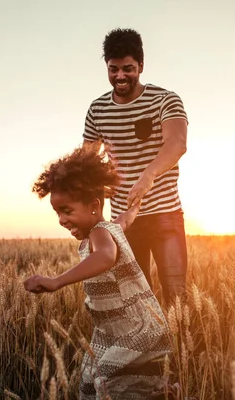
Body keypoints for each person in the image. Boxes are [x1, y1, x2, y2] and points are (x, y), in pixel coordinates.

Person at [23, 145, 172, 399]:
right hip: (108, 330)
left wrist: (57, 281)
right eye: (57, 212)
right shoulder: (112, 227)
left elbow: (105, 256)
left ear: (94, 205)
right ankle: (161, 392)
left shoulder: (99, 233)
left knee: (104, 382)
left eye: (66, 211)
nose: (61, 219)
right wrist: (136, 203)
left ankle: (165, 393)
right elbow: (127, 218)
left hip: (132, 327)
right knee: (91, 381)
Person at [82, 28, 189, 306]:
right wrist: (95, 218)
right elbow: (88, 164)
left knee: (176, 297)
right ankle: (153, 351)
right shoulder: (97, 110)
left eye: (128, 69)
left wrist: (148, 176)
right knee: (138, 300)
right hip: (123, 222)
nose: (120, 76)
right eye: (113, 69)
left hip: (165, 214)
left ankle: (182, 349)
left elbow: (176, 144)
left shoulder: (165, 100)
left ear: (141, 65)